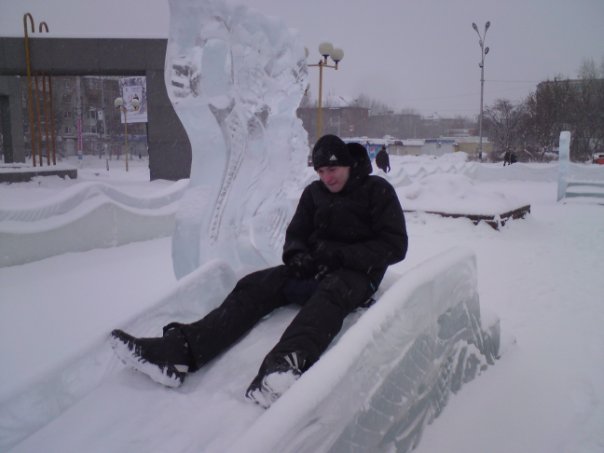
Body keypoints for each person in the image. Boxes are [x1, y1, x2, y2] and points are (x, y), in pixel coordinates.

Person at [110, 134, 408, 408]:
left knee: (330, 296)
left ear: (348, 164)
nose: (327, 177)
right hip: (314, 268)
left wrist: (341, 255)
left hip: (357, 275)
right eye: (320, 171)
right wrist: (297, 256)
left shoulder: (376, 191)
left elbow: (395, 245)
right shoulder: (314, 194)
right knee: (255, 284)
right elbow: (296, 234)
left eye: (333, 169)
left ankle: (284, 366)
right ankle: (179, 351)